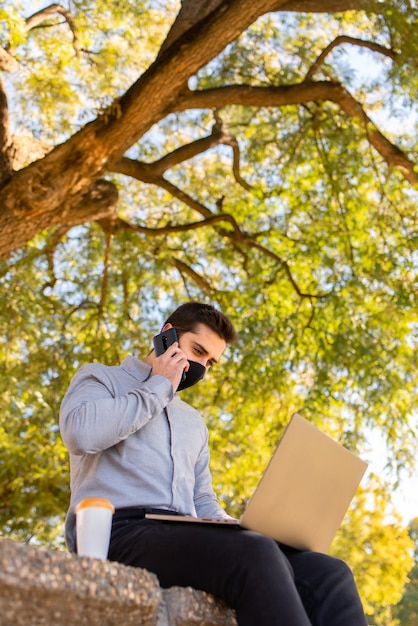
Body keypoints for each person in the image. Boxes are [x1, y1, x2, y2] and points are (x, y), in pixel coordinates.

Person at [60, 301, 368, 626]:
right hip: (119, 532)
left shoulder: (193, 423)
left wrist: (235, 524)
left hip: (182, 536)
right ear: (167, 336)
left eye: (210, 362)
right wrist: (160, 385)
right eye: (197, 351)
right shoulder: (102, 378)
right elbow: (81, 433)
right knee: (256, 553)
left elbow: (203, 500)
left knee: (330, 572)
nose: (201, 368)